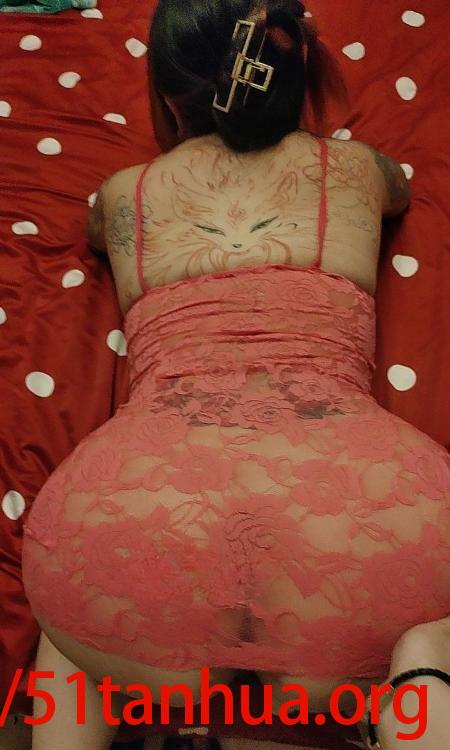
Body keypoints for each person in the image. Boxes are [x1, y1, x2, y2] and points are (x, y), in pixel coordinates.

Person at [21, 1, 449, 749]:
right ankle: (420, 676)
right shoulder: (354, 168)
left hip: (137, 516)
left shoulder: (124, 195)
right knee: (427, 633)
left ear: (169, 94)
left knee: (70, 627)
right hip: (355, 535)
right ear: (298, 71)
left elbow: (93, 233)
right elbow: (399, 191)